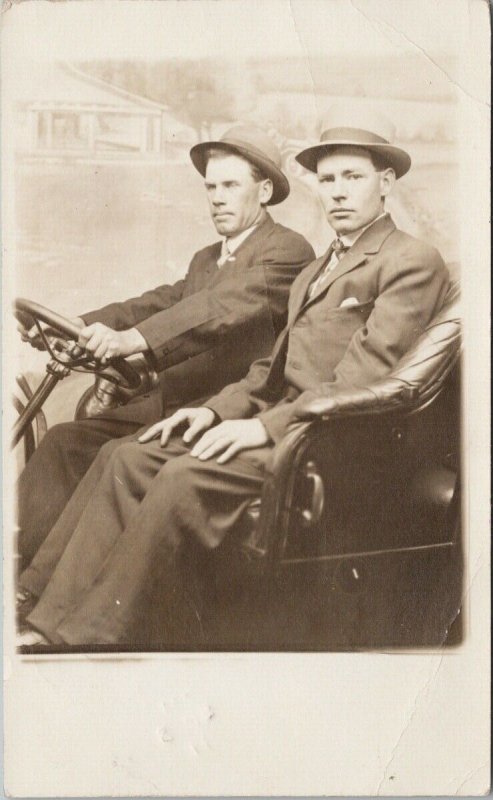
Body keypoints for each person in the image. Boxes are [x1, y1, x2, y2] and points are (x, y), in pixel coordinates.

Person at [17, 106, 450, 647]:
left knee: (179, 475)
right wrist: (214, 410)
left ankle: (88, 632)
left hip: (333, 436)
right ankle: (42, 612)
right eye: (328, 179)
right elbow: (272, 369)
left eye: (353, 177)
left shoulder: (410, 260)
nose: (338, 192)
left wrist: (261, 428)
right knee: (128, 456)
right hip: (283, 422)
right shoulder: (320, 269)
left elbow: (364, 381)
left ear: (385, 184)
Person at [17, 125, 315, 564]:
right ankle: (21, 569)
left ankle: (50, 581)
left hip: (220, 411)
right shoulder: (208, 258)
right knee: (64, 441)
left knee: (116, 455)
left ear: (265, 191)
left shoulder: (287, 251)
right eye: (210, 187)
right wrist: (78, 325)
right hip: (168, 403)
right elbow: (159, 301)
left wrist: (130, 341)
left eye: (231, 185)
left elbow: (216, 309)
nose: (216, 197)